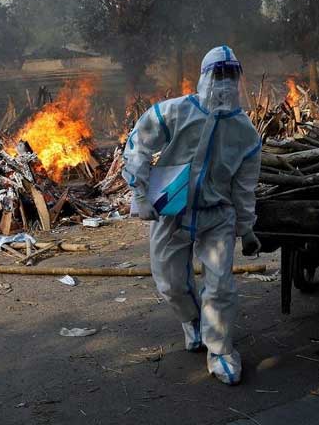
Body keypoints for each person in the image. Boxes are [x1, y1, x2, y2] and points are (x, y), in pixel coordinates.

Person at [122, 46, 261, 385]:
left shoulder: (245, 132)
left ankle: (221, 350)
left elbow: (244, 186)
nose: (224, 84)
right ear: (203, 77)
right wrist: (139, 193)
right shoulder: (175, 112)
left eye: (231, 76)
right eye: (218, 75)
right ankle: (193, 319)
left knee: (221, 284)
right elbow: (138, 144)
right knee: (169, 282)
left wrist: (247, 228)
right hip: (172, 208)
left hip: (218, 214)